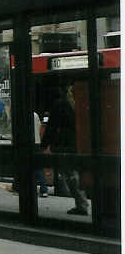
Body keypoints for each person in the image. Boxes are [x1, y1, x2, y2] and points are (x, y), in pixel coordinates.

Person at [41, 85, 88, 215]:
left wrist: (44, 144)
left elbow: (52, 126)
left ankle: (81, 204)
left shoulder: (59, 105)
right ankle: (81, 203)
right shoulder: (69, 105)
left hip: (64, 144)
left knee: (70, 175)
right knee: (71, 174)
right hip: (72, 143)